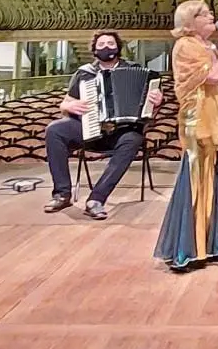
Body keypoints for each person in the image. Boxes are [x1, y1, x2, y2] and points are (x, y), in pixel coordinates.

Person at [154, 0, 218, 271]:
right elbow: (212, 78)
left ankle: (212, 245)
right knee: (195, 182)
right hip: (197, 123)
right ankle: (186, 248)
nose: (211, 17)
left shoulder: (209, 46)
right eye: (205, 14)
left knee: (213, 182)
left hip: (214, 121)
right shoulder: (185, 46)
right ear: (190, 22)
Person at [44, 31, 162, 220]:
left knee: (133, 139)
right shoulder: (84, 73)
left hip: (121, 132)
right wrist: (69, 105)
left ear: (118, 47)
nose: (106, 47)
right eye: (101, 44)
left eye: (110, 43)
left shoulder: (134, 69)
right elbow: (65, 104)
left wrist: (156, 101)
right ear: (94, 49)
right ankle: (62, 194)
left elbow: (150, 110)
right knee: (54, 130)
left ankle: (96, 199)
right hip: (90, 128)